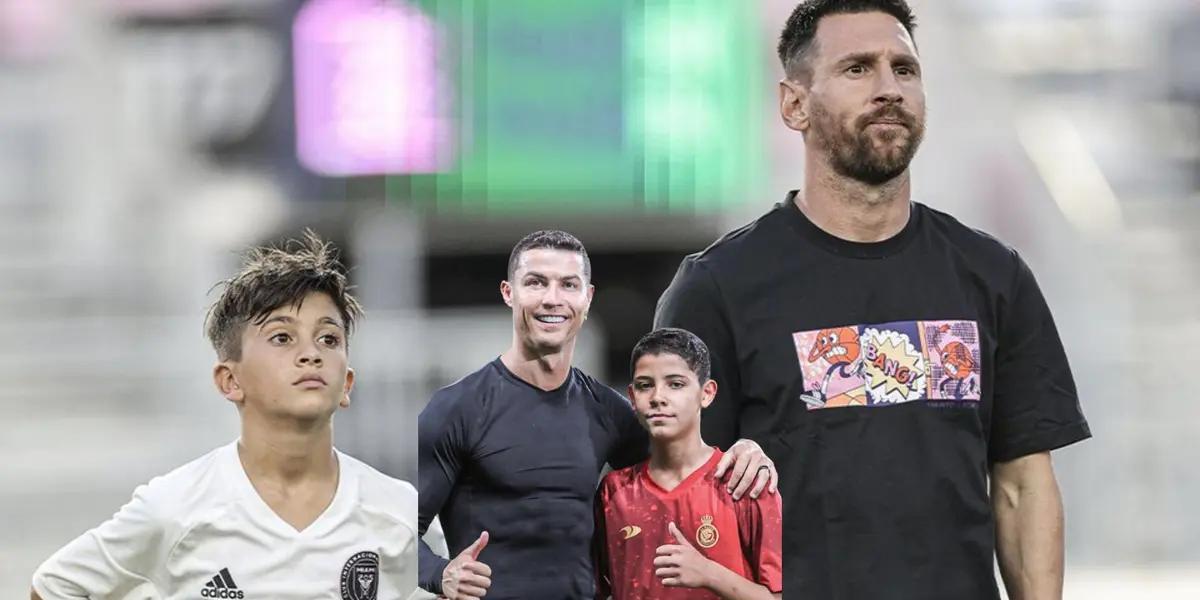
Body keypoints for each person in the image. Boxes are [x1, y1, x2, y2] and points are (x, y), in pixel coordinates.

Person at [654, 1, 1092, 598]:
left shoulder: (992, 276)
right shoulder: (718, 289)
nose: (889, 88)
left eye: (904, 70)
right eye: (858, 69)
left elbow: (1022, 484)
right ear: (794, 105)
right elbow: (678, 499)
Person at [31, 232, 417, 600]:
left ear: (346, 383)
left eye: (328, 339)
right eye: (282, 337)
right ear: (230, 380)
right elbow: (54, 587)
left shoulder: (401, 514)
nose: (311, 353)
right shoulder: (175, 508)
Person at [418, 231, 778, 600]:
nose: (552, 299)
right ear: (509, 292)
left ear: (587, 298)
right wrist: (441, 573)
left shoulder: (608, 412)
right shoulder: (456, 410)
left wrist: (747, 448)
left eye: (568, 285)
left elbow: (686, 468)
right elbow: (399, 533)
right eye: (536, 283)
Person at [594, 328, 783, 600]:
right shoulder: (613, 492)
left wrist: (708, 573)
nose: (658, 396)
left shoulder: (744, 481)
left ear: (706, 394)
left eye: (676, 384)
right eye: (646, 385)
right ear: (632, 397)